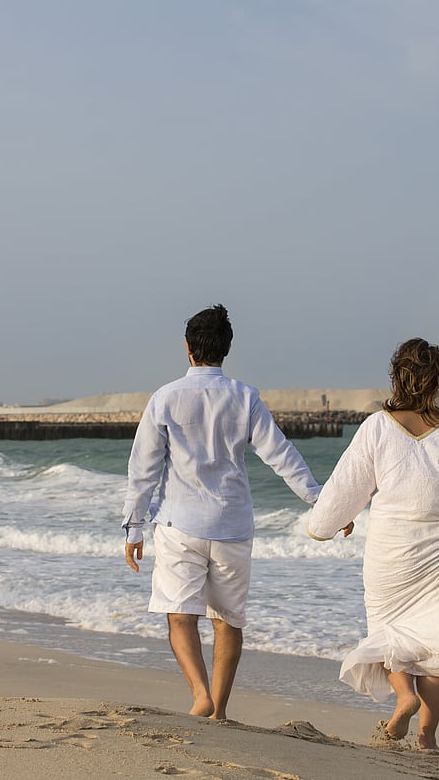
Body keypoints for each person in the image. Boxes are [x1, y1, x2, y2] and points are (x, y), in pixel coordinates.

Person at [122, 304, 322, 721]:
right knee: (227, 621)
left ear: (187, 349)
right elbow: (280, 455)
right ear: (227, 348)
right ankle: (220, 711)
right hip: (232, 525)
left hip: (180, 524)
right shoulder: (245, 396)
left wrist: (134, 527)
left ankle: (199, 695)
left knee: (180, 617)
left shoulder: (165, 397)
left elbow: (143, 468)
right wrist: (320, 500)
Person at [306, 338, 439, 752]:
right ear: (438, 380)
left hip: (391, 547)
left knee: (386, 625)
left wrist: (328, 521)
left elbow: (349, 483)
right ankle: (427, 737)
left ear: (397, 376)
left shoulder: (378, 426)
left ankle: (404, 695)